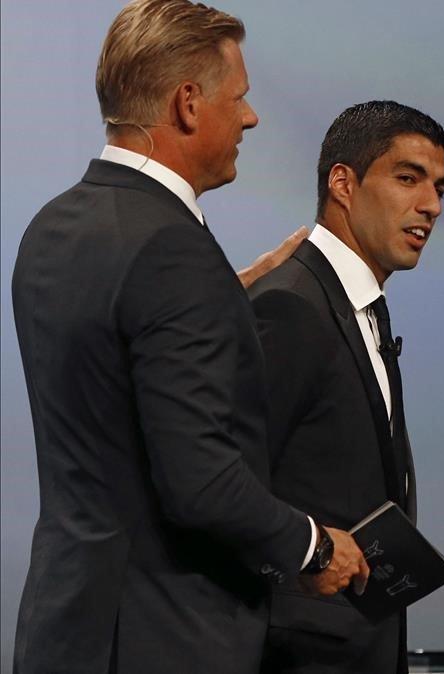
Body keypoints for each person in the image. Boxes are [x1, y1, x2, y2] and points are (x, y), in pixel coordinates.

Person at [10, 2, 369, 672]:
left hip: (66, 630)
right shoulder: (172, 251)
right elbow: (200, 483)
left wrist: (217, 299)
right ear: (188, 103)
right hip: (165, 637)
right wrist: (314, 546)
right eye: (240, 97)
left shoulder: (54, 226)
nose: (251, 118)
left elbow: (113, 368)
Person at [249, 101, 444, 673]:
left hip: (358, 645)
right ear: (343, 183)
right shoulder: (290, 304)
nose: (431, 205)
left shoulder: (359, 308)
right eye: (408, 178)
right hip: (299, 651)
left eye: (439, 187)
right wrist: (310, 556)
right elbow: (228, 483)